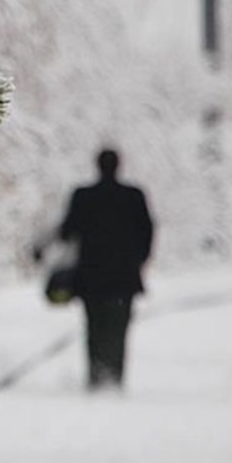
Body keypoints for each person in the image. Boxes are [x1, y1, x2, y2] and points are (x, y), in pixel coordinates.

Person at [55, 148, 154, 390]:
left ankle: (96, 375)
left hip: (91, 276)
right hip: (124, 276)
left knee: (94, 326)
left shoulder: (83, 196)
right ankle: (115, 376)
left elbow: (67, 230)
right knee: (119, 327)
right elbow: (147, 231)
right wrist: (138, 260)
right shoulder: (133, 196)